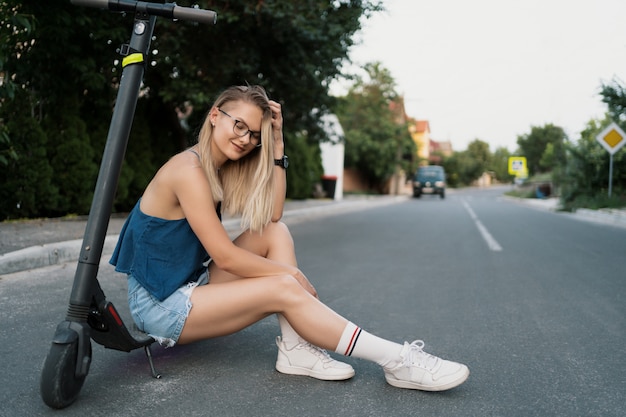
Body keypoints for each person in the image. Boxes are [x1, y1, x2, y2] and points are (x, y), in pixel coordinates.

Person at [110, 85, 469, 391]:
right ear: (215, 116)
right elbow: (226, 258)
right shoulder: (189, 171)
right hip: (160, 304)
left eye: (254, 134)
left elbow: (275, 215)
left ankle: (296, 350)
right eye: (239, 125)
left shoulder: (214, 166)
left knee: (273, 232)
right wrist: (291, 277)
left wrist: (278, 142)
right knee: (281, 287)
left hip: (188, 285)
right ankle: (397, 360)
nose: (246, 139)